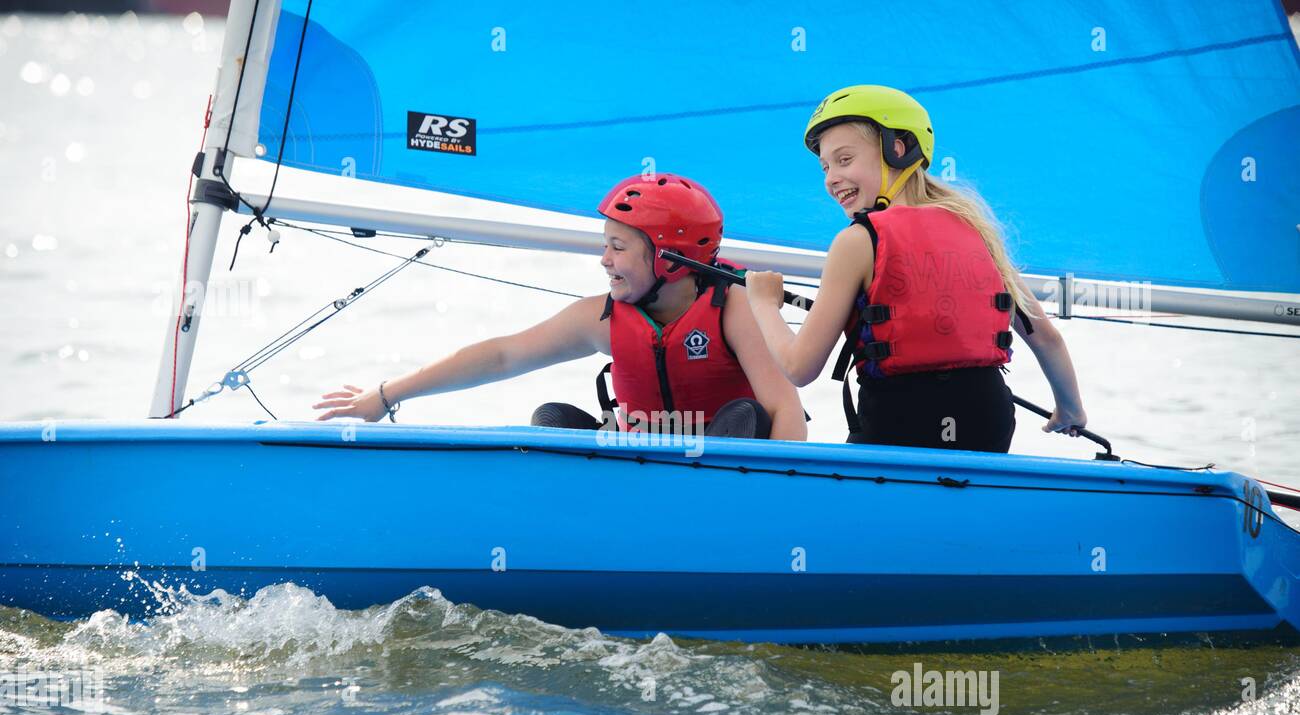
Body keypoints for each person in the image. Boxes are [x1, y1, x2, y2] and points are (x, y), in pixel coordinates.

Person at [314, 174, 807, 442]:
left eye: (618, 247)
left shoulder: (735, 307)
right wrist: (386, 395)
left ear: (671, 260)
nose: (604, 259)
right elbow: (504, 355)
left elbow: (784, 407)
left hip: (727, 478)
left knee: (748, 414)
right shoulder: (603, 319)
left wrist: (784, 504)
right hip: (642, 468)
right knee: (550, 418)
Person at [743, 85, 1087, 453]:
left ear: (899, 148)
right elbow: (1046, 338)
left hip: (897, 422)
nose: (830, 178)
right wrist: (1070, 408)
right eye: (825, 167)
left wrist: (764, 304)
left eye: (844, 160)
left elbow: (799, 367)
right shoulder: (978, 230)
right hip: (988, 421)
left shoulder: (858, 241)